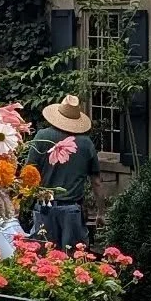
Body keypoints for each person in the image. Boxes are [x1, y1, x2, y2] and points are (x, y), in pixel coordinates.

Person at [25, 94, 100, 250]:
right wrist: (102, 210)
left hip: (45, 205)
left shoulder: (42, 136)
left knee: (42, 260)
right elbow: (96, 182)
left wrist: (23, 201)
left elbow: (29, 172)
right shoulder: (86, 143)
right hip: (72, 210)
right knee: (73, 259)